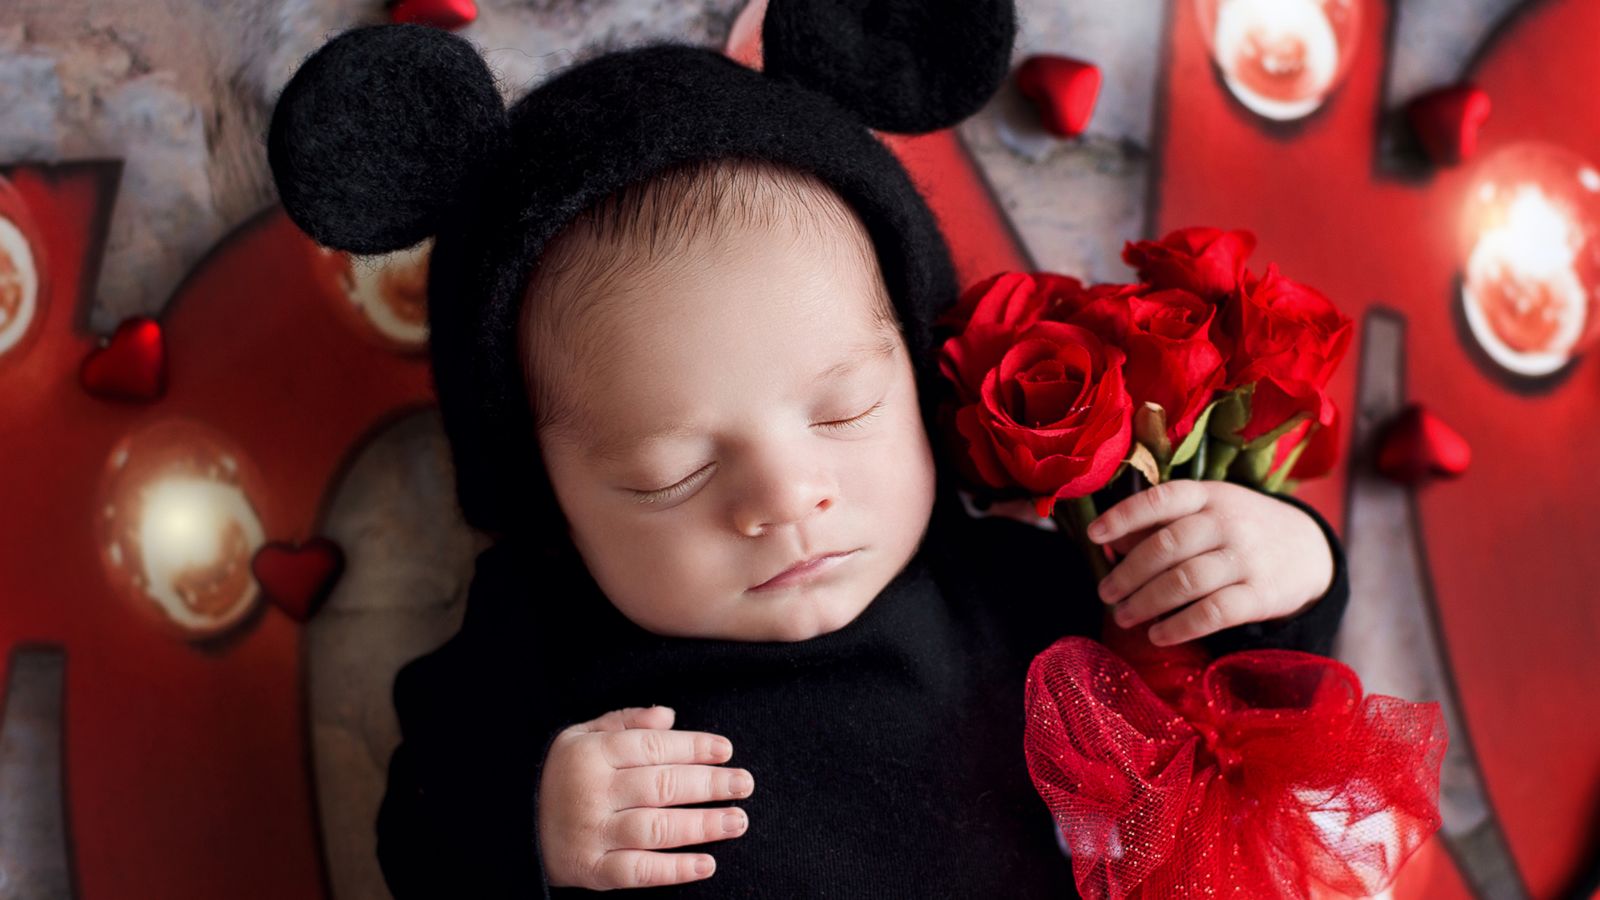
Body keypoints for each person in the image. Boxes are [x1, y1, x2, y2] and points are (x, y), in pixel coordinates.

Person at [264, 4, 1349, 897]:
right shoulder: (543, 636)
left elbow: (1231, 694)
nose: (786, 499)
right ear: (547, 496)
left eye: (841, 414)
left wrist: (1280, 563)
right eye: (668, 474)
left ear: (920, 380)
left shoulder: (1006, 586)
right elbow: (420, 834)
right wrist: (529, 822)